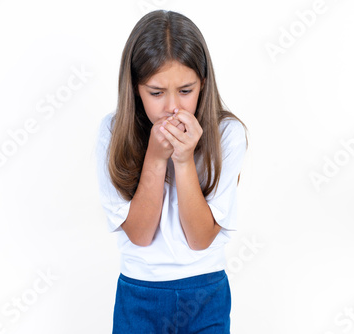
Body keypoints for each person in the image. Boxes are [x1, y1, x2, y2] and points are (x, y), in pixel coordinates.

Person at [95, 9, 249, 333]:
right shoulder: (112, 131)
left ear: (203, 84)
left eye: (185, 90)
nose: (171, 107)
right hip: (139, 293)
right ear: (135, 88)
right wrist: (154, 157)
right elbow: (139, 235)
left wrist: (183, 160)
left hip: (206, 292)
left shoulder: (227, 134)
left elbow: (200, 239)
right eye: (155, 93)